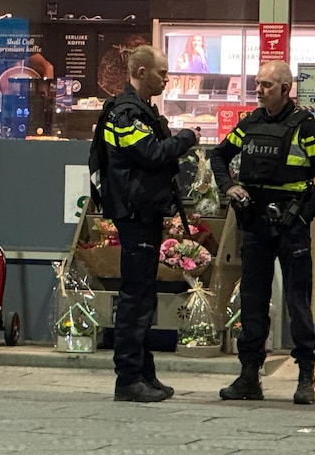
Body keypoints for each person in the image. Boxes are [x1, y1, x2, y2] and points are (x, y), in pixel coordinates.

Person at [209, 60, 315, 404]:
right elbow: (218, 156)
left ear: (286, 89)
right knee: (252, 302)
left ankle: (305, 378)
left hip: (290, 226)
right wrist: (228, 187)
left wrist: (302, 217)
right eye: (257, 83)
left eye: (266, 84)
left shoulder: (304, 127)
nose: (259, 89)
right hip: (254, 224)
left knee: (298, 303)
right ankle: (249, 376)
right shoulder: (250, 124)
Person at [90, 45, 199, 403]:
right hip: (134, 213)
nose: (166, 79)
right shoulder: (125, 113)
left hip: (145, 211)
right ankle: (127, 379)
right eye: (160, 72)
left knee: (144, 296)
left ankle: (144, 373)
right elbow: (150, 154)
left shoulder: (142, 110)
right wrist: (186, 138)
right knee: (135, 298)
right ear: (139, 71)